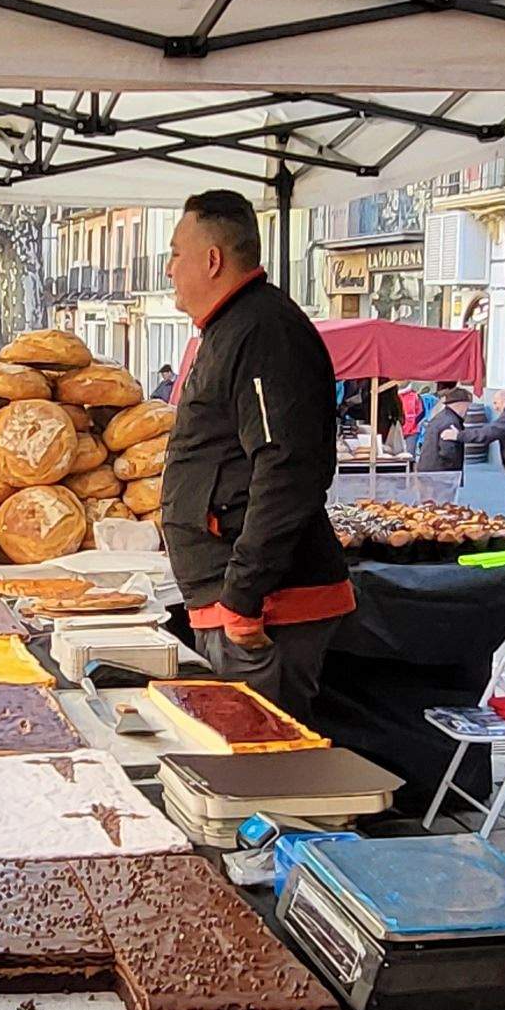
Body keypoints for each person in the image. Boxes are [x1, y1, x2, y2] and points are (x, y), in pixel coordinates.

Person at [157, 190, 350, 716]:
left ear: (212, 260)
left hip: (265, 608)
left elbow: (287, 467)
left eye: (176, 253)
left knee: (261, 751)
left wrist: (243, 596)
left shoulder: (263, 331)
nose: (169, 268)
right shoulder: (234, 328)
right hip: (235, 600)